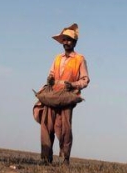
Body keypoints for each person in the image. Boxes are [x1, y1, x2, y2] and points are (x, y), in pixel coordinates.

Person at [35, 23, 90, 165]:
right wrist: (50, 80)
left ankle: (65, 159)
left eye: (69, 40)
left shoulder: (79, 59)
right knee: (47, 125)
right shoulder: (57, 58)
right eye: (64, 40)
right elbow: (51, 74)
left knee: (65, 128)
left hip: (67, 97)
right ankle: (46, 158)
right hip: (53, 95)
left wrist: (73, 85)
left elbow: (85, 80)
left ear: (75, 42)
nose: (66, 42)